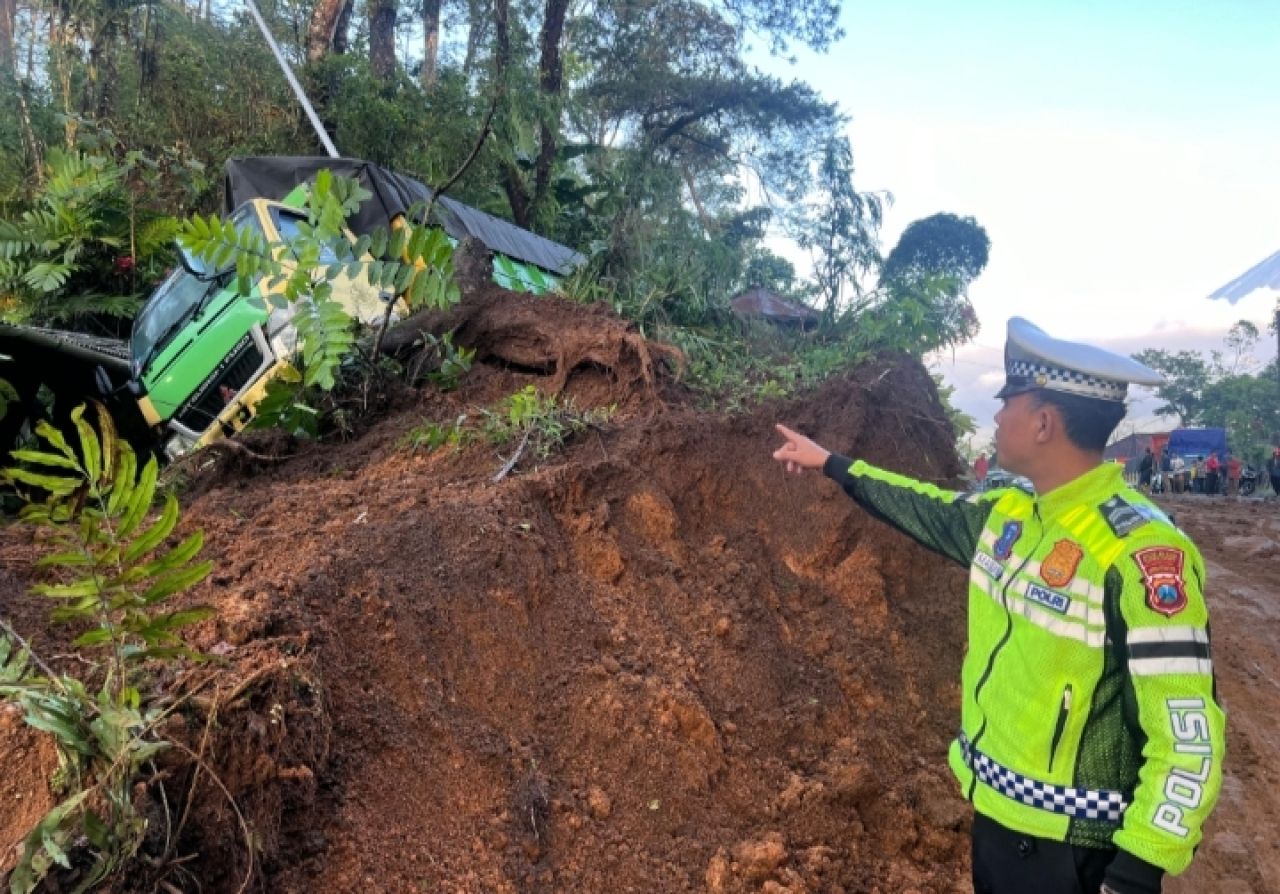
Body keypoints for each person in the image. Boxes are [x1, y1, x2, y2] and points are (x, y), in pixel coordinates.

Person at [772, 317, 1224, 894]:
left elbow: (1188, 737)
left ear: (1042, 423)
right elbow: (925, 507)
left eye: (1007, 402)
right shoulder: (1007, 516)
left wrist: (1134, 875)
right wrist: (832, 463)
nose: (996, 417)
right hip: (996, 826)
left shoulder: (1140, 552)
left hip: (1075, 857)